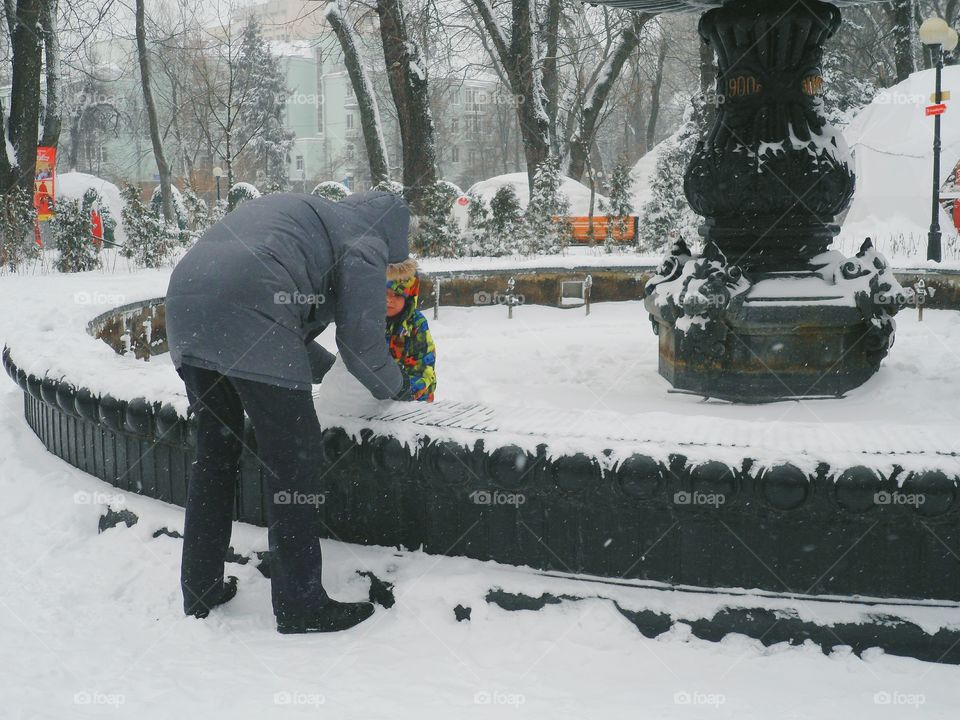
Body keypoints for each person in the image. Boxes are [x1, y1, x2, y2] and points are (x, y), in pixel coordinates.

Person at [165, 190, 417, 634]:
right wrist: (398, 389)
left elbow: (285, 332)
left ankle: (200, 589)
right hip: (250, 304)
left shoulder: (312, 220)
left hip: (186, 306)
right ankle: (301, 604)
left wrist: (324, 372)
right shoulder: (368, 242)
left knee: (215, 455)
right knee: (296, 462)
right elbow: (361, 344)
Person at [385, 267, 437, 402]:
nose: (389, 300)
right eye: (384, 293)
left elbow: (424, 368)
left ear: (408, 297)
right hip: (379, 395)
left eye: (396, 295)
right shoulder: (370, 320)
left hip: (415, 398)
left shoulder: (416, 324)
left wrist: (406, 390)